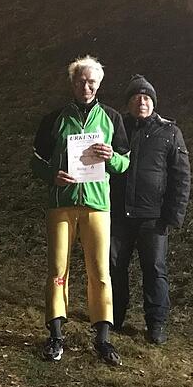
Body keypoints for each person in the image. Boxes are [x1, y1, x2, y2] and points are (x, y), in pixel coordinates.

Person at [31, 55, 130, 365]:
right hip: (61, 204)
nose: (86, 87)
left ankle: (102, 338)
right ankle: (56, 336)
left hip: (97, 204)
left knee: (100, 272)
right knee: (58, 271)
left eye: (91, 82)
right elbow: (36, 160)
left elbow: (124, 163)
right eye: (80, 81)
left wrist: (111, 156)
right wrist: (52, 175)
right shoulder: (54, 118)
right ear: (72, 83)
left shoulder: (112, 117)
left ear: (99, 85)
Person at [109, 74, 190, 344]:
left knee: (154, 268)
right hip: (118, 214)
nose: (141, 101)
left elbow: (181, 177)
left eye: (146, 97)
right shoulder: (117, 127)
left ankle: (156, 324)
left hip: (153, 218)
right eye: (135, 97)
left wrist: (173, 215)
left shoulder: (170, 132)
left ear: (153, 102)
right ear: (128, 103)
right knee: (113, 266)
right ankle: (114, 318)